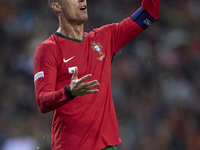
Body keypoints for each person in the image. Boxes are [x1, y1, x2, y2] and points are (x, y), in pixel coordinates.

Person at [33, 0, 159, 149]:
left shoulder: (105, 38)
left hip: (108, 146)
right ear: (57, 6)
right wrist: (69, 92)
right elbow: (42, 101)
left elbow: (149, 13)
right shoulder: (48, 49)